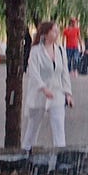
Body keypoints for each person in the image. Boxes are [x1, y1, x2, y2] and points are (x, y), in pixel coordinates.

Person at [22, 19, 74, 150]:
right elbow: (33, 73)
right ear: (45, 33)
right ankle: (25, 154)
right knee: (32, 129)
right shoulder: (36, 51)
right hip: (39, 94)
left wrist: (68, 93)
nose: (57, 33)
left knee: (59, 130)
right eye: (54, 31)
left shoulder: (61, 50)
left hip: (57, 94)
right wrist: (43, 88)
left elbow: (64, 73)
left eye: (57, 31)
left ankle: (59, 160)